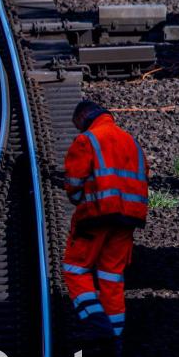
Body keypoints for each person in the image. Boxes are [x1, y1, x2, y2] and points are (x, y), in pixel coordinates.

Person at [62, 100, 148, 343]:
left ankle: (98, 325)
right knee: (111, 276)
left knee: (75, 270)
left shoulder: (87, 140)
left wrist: (80, 200)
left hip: (95, 218)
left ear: (83, 119)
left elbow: (74, 185)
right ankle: (115, 339)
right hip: (128, 220)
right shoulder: (130, 141)